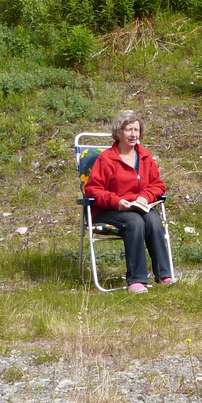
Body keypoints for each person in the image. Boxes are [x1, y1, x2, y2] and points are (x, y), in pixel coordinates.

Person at [84, 110, 176, 293]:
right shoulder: (106, 159)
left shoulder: (144, 156)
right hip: (109, 209)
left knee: (153, 219)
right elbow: (92, 189)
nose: (134, 134)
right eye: (129, 130)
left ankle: (163, 274)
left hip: (138, 205)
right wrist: (116, 201)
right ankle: (136, 280)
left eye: (136, 130)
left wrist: (145, 197)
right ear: (119, 132)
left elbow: (158, 185)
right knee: (134, 222)